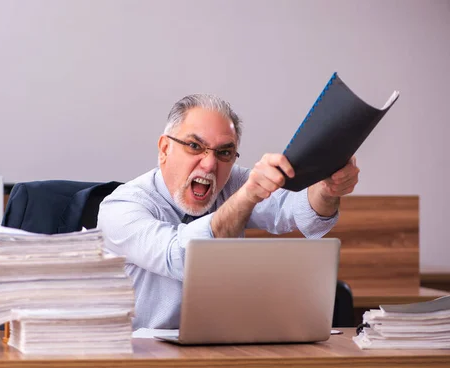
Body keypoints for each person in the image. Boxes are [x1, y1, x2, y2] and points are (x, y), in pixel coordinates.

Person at [97, 94, 360, 329]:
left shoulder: (233, 182)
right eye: (194, 146)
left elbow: (300, 213)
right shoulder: (121, 207)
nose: (210, 164)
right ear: (165, 149)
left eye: (224, 152)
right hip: (140, 363)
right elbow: (181, 258)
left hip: (219, 350)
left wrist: (327, 188)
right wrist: (246, 196)